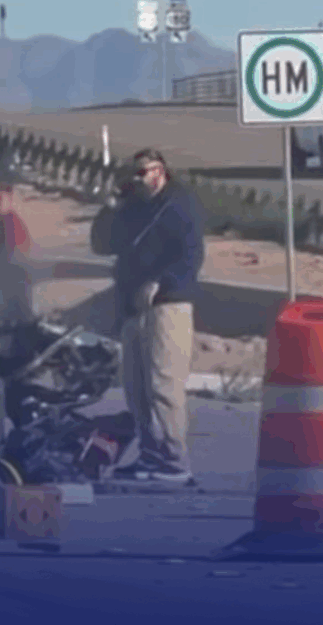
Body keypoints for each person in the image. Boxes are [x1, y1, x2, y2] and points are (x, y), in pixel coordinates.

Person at [89, 149, 205, 485]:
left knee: (163, 384)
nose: (136, 180)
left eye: (142, 173)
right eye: (132, 174)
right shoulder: (132, 207)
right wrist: (110, 207)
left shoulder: (180, 205)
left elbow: (191, 255)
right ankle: (150, 453)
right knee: (136, 387)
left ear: (160, 171)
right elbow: (103, 244)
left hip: (168, 304)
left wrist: (160, 281)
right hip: (132, 305)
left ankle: (175, 460)